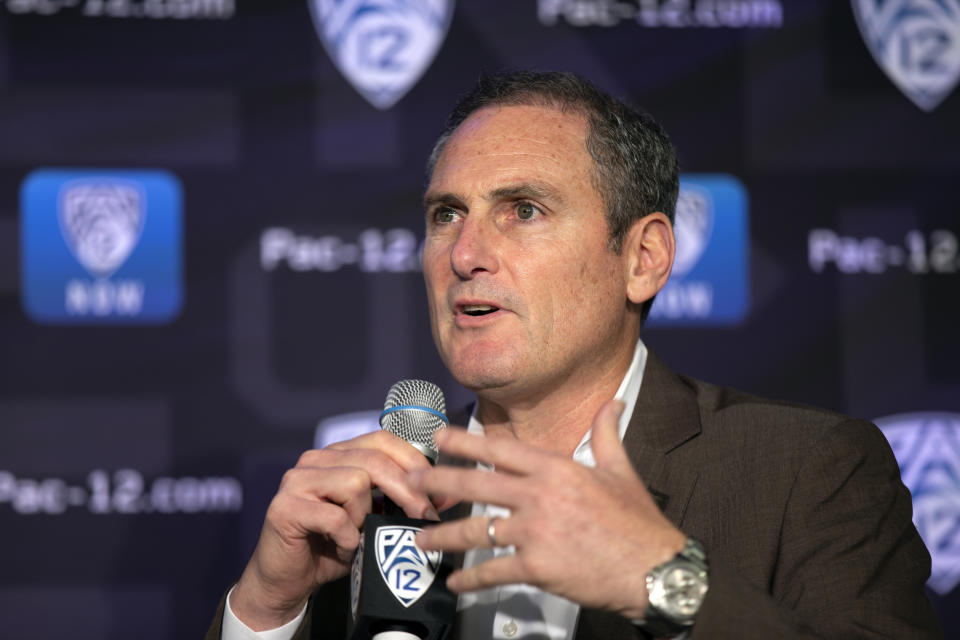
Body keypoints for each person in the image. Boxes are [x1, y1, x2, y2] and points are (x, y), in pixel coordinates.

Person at [206, 71, 942, 639]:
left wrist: (666, 581)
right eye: (446, 215)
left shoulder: (805, 471)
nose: (465, 253)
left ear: (644, 257)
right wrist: (266, 608)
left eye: (523, 210)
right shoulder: (379, 500)